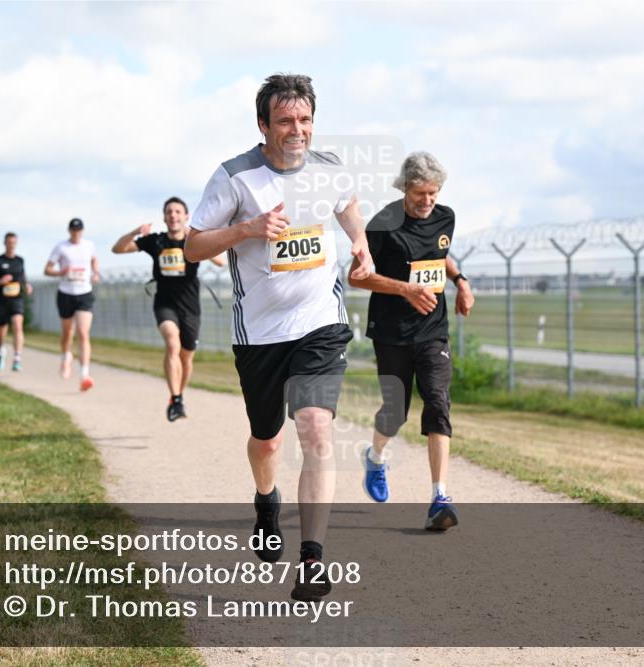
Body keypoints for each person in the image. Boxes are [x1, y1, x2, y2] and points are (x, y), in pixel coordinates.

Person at [185, 73, 373, 602]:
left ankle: (312, 559)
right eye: (286, 120)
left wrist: (360, 241)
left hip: (320, 323)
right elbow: (194, 245)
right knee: (267, 439)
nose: (298, 130)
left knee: (315, 429)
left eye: (306, 120)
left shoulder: (329, 168)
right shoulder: (235, 177)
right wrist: (245, 230)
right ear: (263, 124)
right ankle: (266, 499)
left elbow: (348, 202)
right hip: (260, 334)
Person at [348, 151, 475, 531]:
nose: (427, 201)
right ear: (405, 188)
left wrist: (460, 281)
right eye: (420, 193)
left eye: (433, 193)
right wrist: (404, 289)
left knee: (437, 402)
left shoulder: (445, 216)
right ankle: (375, 456)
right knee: (396, 410)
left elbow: (439, 254)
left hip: (433, 329)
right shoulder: (384, 224)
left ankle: (439, 497)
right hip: (392, 331)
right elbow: (357, 276)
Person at [111, 197, 225, 421]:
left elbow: (221, 262)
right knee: (172, 342)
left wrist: (200, 240)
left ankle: (178, 396)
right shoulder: (156, 241)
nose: (173, 215)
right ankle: (176, 398)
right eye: (169, 212)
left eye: (177, 212)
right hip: (165, 303)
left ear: (186, 216)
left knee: (186, 358)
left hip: (190, 307)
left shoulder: (193, 240)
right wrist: (135, 231)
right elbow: (118, 249)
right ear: (164, 217)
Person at [45, 218, 99, 391]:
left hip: (84, 293)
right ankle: (65, 357)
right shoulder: (61, 247)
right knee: (68, 333)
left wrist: (95, 272)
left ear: (82, 231)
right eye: (73, 230)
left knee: (83, 333)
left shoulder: (89, 245)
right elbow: (47, 269)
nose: (76, 233)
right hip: (66, 293)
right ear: (69, 231)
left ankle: (84, 375)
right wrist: (61, 272)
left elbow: (93, 260)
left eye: (79, 230)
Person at [0, 232, 33, 371]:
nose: (11, 245)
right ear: (5, 243)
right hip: (1, 301)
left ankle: (17, 358)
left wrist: (27, 285)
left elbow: (23, 276)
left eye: (13, 243)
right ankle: (0, 352)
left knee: (18, 326)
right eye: (9, 242)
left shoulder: (20, 260)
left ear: (16, 244)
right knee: (1, 333)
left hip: (17, 299)